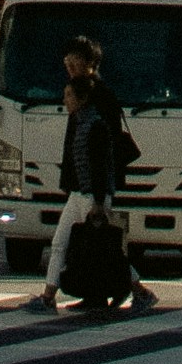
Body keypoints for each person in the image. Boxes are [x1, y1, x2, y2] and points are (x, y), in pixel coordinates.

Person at [52, 40, 153, 315]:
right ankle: (98, 294)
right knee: (91, 245)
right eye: (67, 65)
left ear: (91, 65)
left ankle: (135, 290)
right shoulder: (80, 94)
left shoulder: (99, 98)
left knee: (99, 245)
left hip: (94, 186)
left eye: (74, 64)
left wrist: (97, 191)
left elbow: (100, 151)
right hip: (83, 184)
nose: (70, 70)